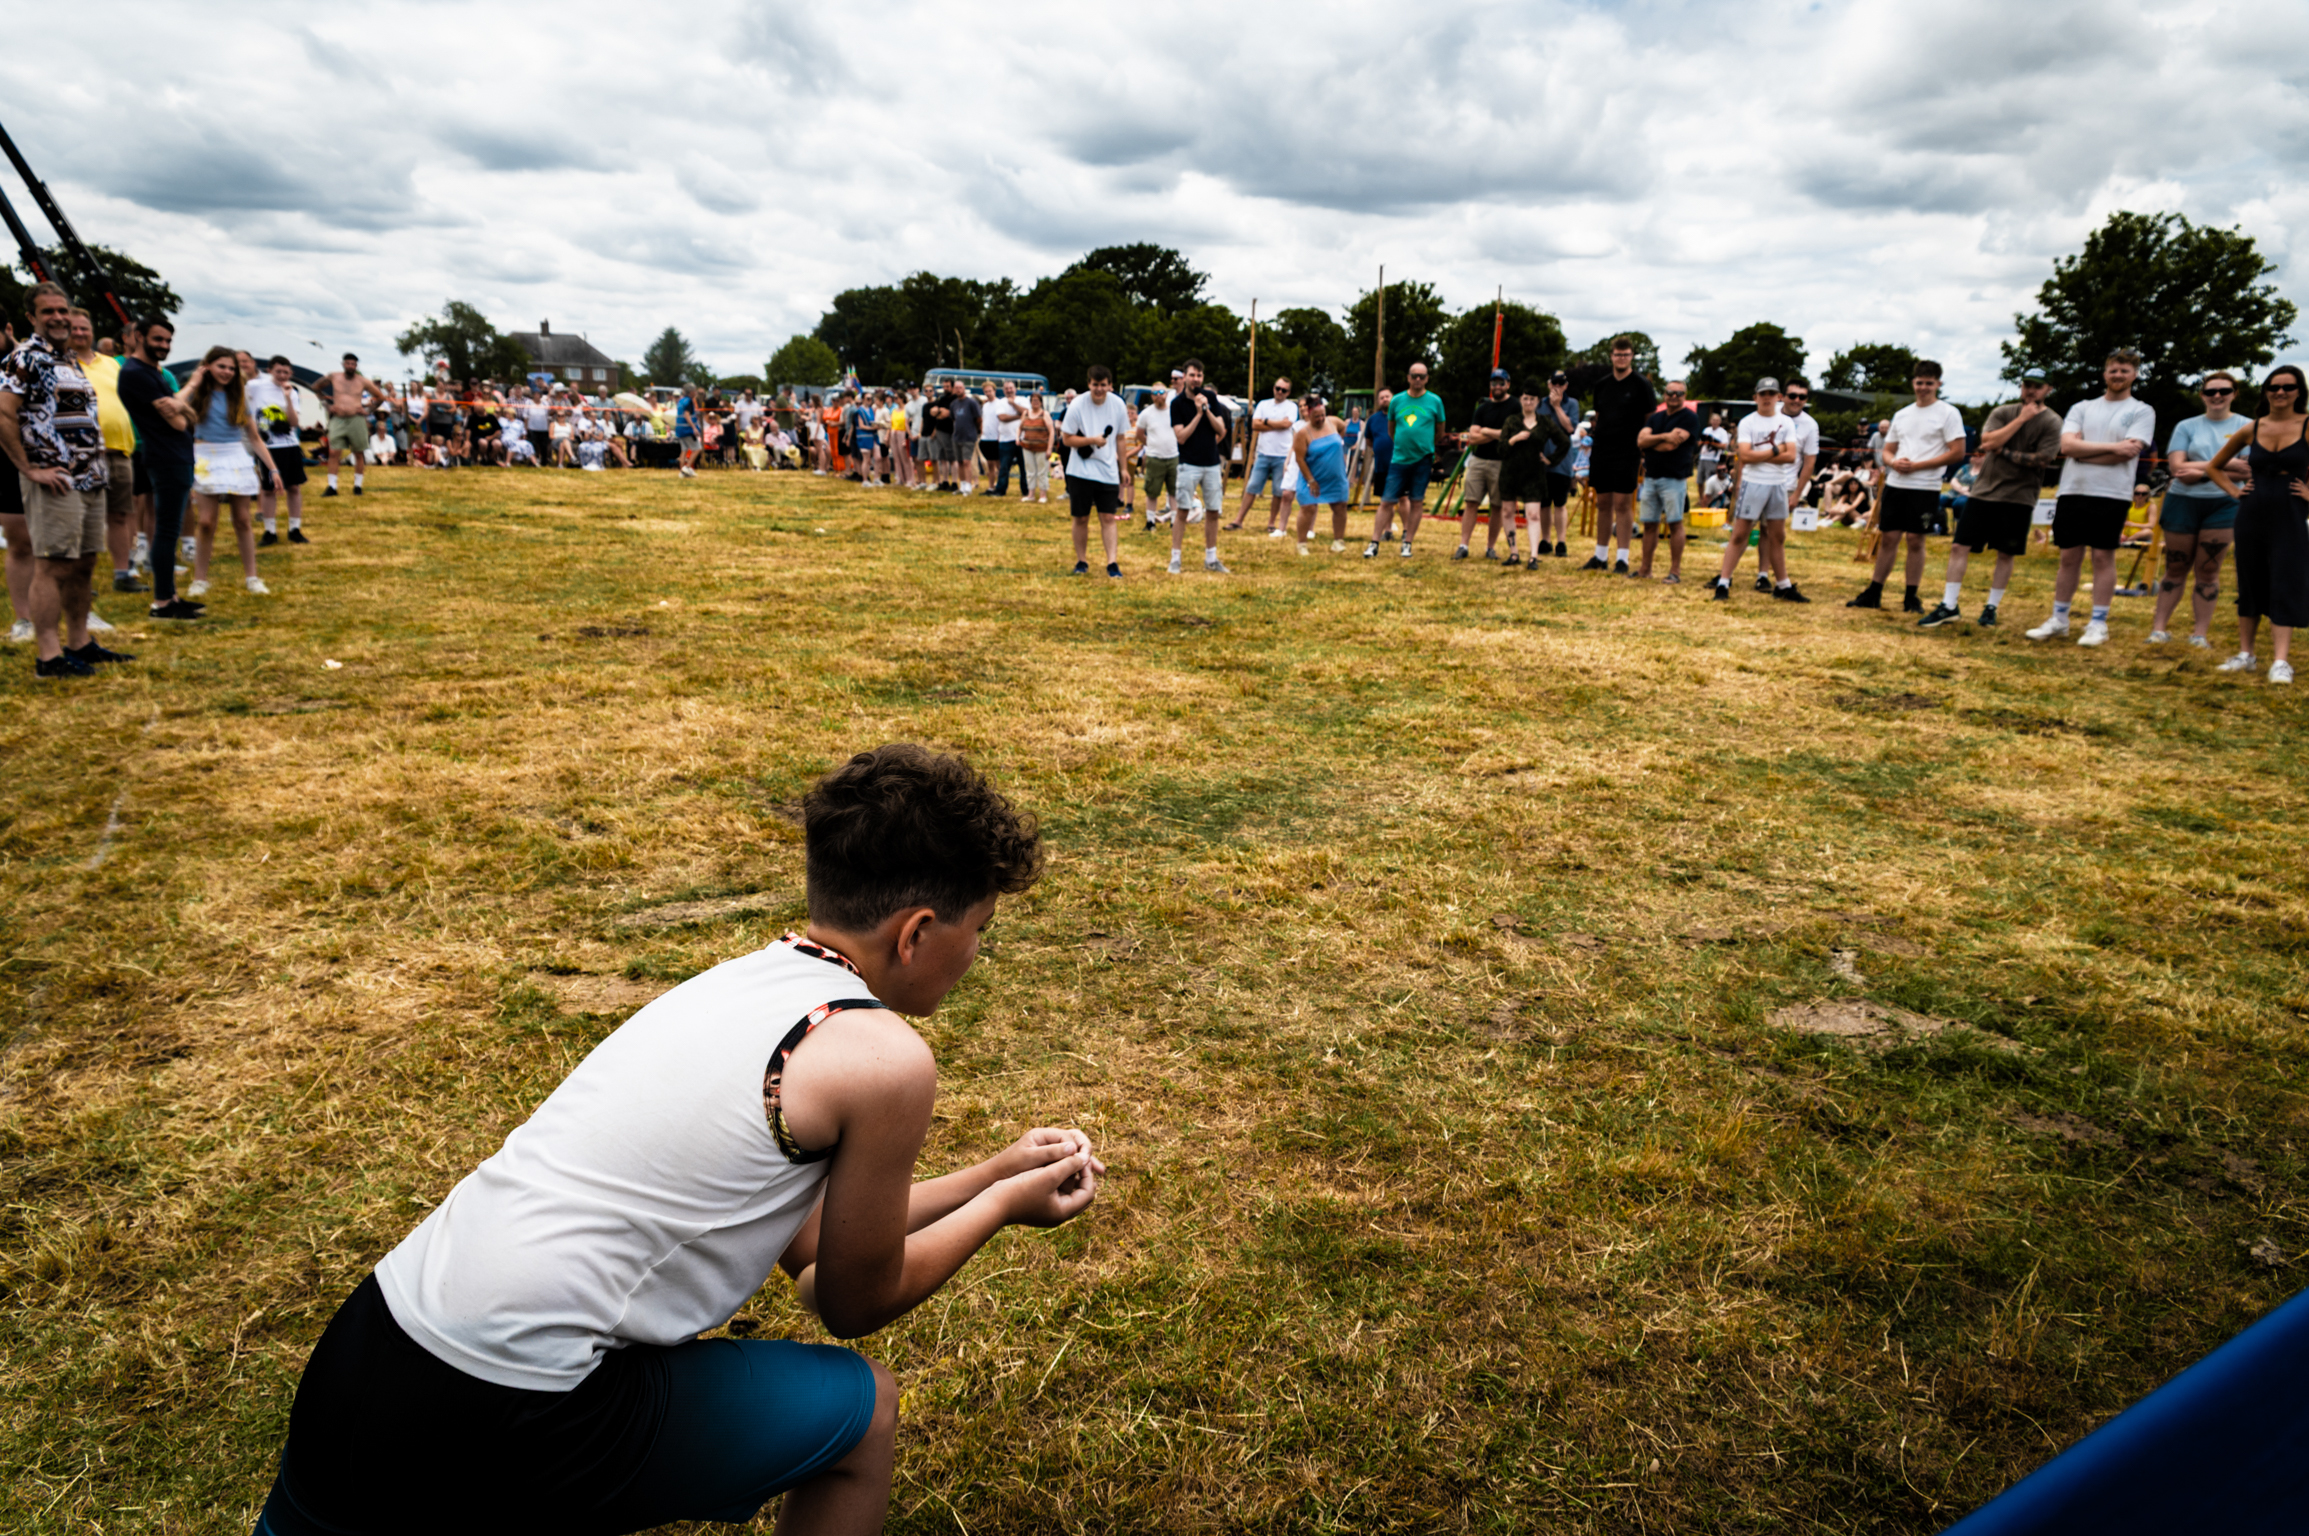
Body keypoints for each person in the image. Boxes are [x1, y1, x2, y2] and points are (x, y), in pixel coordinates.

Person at [254, 744, 1101, 1536]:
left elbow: (809, 1253)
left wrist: (988, 1172)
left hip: (368, 1350)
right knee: (861, 1414)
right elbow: (851, 1303)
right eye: (980, 927)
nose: (978, 950)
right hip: (511, 1407)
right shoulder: (885, 1059)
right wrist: (999, 1207)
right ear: (915, 933)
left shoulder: (740, 984)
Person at [0, 281, 132, 675]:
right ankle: (48, 656)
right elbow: (4, 414)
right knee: (53, 565)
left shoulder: (70, 359)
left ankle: (80, 642)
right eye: (47, 312)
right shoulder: (25, 358)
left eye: (62, 310)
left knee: (84, 564)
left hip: (89, 477)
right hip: (54, 478)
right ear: (31, 318)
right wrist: (29, 469)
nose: (58, 317)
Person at [2027, 348, 2157, 647]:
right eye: (2113, 369)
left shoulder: (2141, 410)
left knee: (2102, 556)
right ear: (2105, 373)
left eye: (2125, 370)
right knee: (2069, 556)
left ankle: (2098, 623)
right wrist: (2111, 449)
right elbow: (2068, 447)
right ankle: (2059, 618)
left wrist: (2087, 451)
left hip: (2112, 493)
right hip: (2074, 490)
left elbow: (2130, 451)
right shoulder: (2082, 407)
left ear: (2134, 375)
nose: (2118, 375)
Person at [1918, 367, 2061, 630]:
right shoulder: (2004, 412)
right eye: (2027, 385)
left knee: (2005, 553)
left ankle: (1991, 607)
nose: (2030, 390)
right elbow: (1987, 441)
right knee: (1959, 546)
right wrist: (2020, 421)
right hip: (1984, 492)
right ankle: (1949, 605)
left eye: (2037, 386)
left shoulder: (2052, 422)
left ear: (2048, 389)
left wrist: (2003, 450)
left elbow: (2042, 459)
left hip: (2020, 497)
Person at [2204, 363, 2308, 684]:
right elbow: (2214, 467)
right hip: (2252, 513)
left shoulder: (2306, 425)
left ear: (2299, 393)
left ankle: (2280, 661)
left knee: (2284, 581)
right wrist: (2236, 491)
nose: (2280, 392)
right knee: (2250, 581)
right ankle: (2246, 654)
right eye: (2274, 387)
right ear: (2265, 391)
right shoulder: (2253, 427)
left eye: (2288, 387)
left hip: (2290, 513)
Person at [1849, 361, 1967, 612]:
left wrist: (1919, 465)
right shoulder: (1902, 414)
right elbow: (1888, 451)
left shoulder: (1948, 413)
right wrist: (1894, 463)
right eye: (1919, 382)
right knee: (1889, 537)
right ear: (1913, 383)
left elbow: (1958, 452)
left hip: (1925, 486)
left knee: (1915, 539)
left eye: (1929, 383)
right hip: (1896, 483)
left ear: (1938, 384)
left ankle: (1911, 596)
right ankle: (1874, 592)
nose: (1923, 387)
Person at [2150, 372, 2248, 647]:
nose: (2217, 396)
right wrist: (2222, 468)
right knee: (2175, 566)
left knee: (2208, 571)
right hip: (2183, 501)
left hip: (2225, 503)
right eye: (2211, 391)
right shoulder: (2186, 426)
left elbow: (2248, 471)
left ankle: (2199, 634)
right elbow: (2177, 469)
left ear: (2234, 393)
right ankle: (2158, 630)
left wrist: (2200, 468)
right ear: (2202, 395)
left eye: (2224, 390)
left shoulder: (2248, 426)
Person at [113, 316, 201, 620]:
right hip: (166, 457)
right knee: (166, 530)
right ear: (138, 336)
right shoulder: (136, 373)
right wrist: (185, 411)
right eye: (158, 339)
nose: (164, 346)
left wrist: (183, 409)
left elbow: (184, 413)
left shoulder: (153, 372)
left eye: (168, 341)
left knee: (169, 528)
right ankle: (163, 602)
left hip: (174, 454)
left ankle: (170, 595)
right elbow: (178, 420)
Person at [181, 345, 276, 597]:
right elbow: (174, 404)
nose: (227, 372)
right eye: (221, 366)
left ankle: (252, 577)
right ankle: (200, 579)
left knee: (243, 520)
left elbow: (254, 438)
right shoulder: (197, 394)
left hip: (235, 456)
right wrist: (194, 382)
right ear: (208, 366)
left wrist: (272, 469)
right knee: (205, 522)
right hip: (205, 457)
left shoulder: (239, 397)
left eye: (231, 368)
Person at [1708, 377, 1808, 603]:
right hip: (1753, 484)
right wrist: (1776, 450)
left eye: (1771, 394)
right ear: (1755, 397)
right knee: (1741, 533)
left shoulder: (1787, 423)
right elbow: (1745, 456)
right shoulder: (1747, 422)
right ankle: (1724, 582)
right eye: (1762, 394)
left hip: (1778, 484)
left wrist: (1761, 455)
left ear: (1778, 397)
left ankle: (1783, 585)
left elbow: (1791, 456)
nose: (1767, 398)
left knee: (1777, 535)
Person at [67, 308, 143, 600]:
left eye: (85, 328)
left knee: (121, 515)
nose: (81, 333)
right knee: (80, 517)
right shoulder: (61, 364)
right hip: (81, 454)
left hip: (119, 450)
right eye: (74, 329)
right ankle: (77, 577)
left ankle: (123, 573)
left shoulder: (112, 364)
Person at [1581, 338, 1655, 575]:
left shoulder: (1641, 385)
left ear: (1632, 356)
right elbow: (1600, 415)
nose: (1621, 358)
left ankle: (1622, 558)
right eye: (1617, 354)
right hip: (1602, 449)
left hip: (1628, 451)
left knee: (1623, 504)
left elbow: (1649, 420)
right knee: (1602, 503)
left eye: (1625, 354)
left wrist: (1644, 450)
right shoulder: (1602, 384)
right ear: (1611, 356)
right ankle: (1600, 555)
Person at [1058, 366, 1134, 579]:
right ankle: (1081, 561)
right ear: (1088, 384)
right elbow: (1066, 439)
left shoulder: (1118, 404)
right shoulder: (1078, 405)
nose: (1099, 389)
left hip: (1108, 471)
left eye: (1103, 385)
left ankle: (1112, 563)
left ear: (1110, 385)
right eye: (1095, 385)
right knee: (1081, 518)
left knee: (1108, 517)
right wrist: (1092, 440)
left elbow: (1120, 438)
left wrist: (1123, 468)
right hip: (1080, 471)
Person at [1368, 364, 1445, 559]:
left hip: (1423, 459)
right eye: (1414, 376)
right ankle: (1374, 542)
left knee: (1416, 501)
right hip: (1399, 459)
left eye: (1421, 376)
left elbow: (1440, 430)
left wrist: (1426, 445)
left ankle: (1407, 543)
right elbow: (1391, 429)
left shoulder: (1435, 401)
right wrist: (1403, 444)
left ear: (1427, 379)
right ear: (1408, 378)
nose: (1418, 379)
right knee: (1387, 500)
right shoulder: (1397, 401)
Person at [1166, 359, 1229, 573]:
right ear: (1184, 377)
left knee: (1213, 510)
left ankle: (1211, 558)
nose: (1196, 380)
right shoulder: (1177, 404)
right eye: (1192, 375)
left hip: (1211, 464)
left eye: (1199, 376)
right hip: (1188, 464)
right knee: (1182, 510)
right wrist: (1198, 414)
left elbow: (1221, 429)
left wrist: (1207, 410)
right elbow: (1181, 437)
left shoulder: (1210, 398)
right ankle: (1175, 559)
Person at [1633, 378, 1698, 582]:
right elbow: (1640, 441)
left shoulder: (1690, 418)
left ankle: (1675, 572)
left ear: (1684, 396)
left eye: (1678, 393)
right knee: (1649, 524)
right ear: (1664, 395)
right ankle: (1645, 569)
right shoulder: (1656, 417)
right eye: (1670, 392)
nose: (1674, 397)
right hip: (1651, 477)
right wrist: (1663, 437)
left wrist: (1653, 442)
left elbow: (1672, 445)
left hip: (1674, 478)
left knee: (1675, 523)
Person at [1497, 385, 1569, 570]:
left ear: (1538, 401)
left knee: (1534, 514)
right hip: (1510, 473)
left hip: (1534, 474)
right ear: (1520, 400)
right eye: (1525, 398)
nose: (1528, 402)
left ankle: (1533, 556)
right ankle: (1514, 553)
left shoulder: (1545, 421)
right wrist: (1515, 439)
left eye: (1532, 399)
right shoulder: (1512, 421)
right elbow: (1501, 449)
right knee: (1507, 512)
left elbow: (1564, 441)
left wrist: (1550, 460)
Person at [246, 355, 309, 545]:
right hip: (267, 446)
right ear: (270, 370)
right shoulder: (256, 386)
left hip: (289, 445)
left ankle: (294, 529)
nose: (282, 375)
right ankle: (270, 531)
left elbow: (293, 423)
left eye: (286, 372)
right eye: (278, 371)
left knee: (293, 487)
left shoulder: (292, 391)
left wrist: (288, 398)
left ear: (291, 373)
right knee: (268, 489)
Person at [1455, 368, 1516, 562]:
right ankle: (1463, 545)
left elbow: (1511, 435)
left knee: (1497, 506)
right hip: (1478, 461)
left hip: (1502, 462)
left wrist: (1486, 431)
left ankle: (1490, 547)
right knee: (1471, 502)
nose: (1497, 386)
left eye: (1501, 382)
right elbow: (1472, 437)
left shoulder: (1515, 406)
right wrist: (1497, 434)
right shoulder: (1482, 408)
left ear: (1508, 384)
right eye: (1494, 383)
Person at [1767, 381, 1822, 588]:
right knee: (1744, 532)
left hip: (1786, 485)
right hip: (1759, 481)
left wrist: (1798, 493)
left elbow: (1809, 462)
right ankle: (1758, 575)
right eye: (1792, 396)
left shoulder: (1810, 424)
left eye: (1802, 397)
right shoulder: (1768, 415)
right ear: (1782, 396)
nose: (1797, 400)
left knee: (1774, 533)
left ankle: (1771, 577)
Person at [1235, 376, 1299, 536]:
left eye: (1283, 390)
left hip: (1282, 455)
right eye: (1278, 388)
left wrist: (1265, 422)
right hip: (1263, 453)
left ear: (1288, 392)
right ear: (1273, 388)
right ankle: (1238, 520)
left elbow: (1287, 424)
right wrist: (1275, 424)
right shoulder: (1263, 404)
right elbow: (1254, 425)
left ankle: (1272, 523)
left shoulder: (1291, 406)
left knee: (1278, 491)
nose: (1279, 392)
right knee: (1251, 487)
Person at [1289, 393, 1353, 553]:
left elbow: (1343, 429)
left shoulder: (1333, 422)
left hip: (1335, 476)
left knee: (1340, 506)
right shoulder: (1303, 433)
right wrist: (1310, 480)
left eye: (1323, 415)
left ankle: (1339, 541)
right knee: (1308, 508)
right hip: (1312, 476)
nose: (1321, 419)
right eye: (1317, 416)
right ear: (1309, 414)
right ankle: (1301, 544)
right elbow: (1300, 459)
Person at [318, 353, 385, 496]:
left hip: (356, 418)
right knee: (334, 452)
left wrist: (368, 410)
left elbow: (380, 397)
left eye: (353, 364)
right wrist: (327, 405)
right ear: (343, 364)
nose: (350, 366)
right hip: (338, 419)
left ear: (356, 366)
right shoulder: (333, 376)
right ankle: (332, 487)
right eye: (348, 363)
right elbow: (315, 386)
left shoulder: (363, 381)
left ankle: (357, 486)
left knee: (358, 452)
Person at [1531, 372, 1577, 556]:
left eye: (1561, 383)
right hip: (1542, 461)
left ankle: (1561, 542)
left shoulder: (1571, 404)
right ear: (1549, 384)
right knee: (1544, 503)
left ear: (1566, 386)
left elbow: (1570, 428)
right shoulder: (1540, 404)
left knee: (1560, 502)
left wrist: (1557, 407)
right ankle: (1546, 540)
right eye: (1554, 383)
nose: (1557, 386)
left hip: (1562, 461)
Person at [1134, 383, 1177, 527]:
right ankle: (1150, 521)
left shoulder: (1174, 410)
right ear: (1151, 396)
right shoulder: (1146, 413)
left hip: (1173, 456)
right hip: (1154, 457)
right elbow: (1139, 434)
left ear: (1166, 394)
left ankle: (1174, 521)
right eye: (1155, 393)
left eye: (1161, 392)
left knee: (1174, 491)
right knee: (1152, 491)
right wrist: (1150, 444)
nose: (1159, 395)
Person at [985, 382, 1023, 497]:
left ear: (1015, 389)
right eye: (1006, 388)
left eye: (1011, 388)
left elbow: (1027, 412)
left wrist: (1013, 404)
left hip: (1022, 439)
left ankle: (1026, 490)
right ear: (1004, 390)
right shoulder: (1001, 402)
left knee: (1024, 468)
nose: (1009, 390)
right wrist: (1019, 415)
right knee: (1003, 467)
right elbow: (1002, 417)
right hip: (1005, 440)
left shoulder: (1023, 400)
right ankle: (1000, 490)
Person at [1016, 392, 1053, 504]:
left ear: (1041, 402)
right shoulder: (1025, 413)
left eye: (1037, 400)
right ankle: (1030, 494)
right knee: (1030, 471)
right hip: (1027, 446)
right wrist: (1017, 438)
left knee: (1042, 471)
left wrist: (1049, 449)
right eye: (1033, 400)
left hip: (1042, 447)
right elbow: (1020, 427)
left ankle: (1043, 495)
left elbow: (1051, 432)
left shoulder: (1045, 414)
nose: (1035, 402)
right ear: (1030, 402)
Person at [949, 384, 983, 497]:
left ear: (964, 389)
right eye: (956, 388)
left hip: (969, 437)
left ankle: (968, 486)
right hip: (956, 436)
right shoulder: (953, 404)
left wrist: (976, 431)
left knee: (966, 462)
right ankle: (962, 485)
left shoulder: (971, 403)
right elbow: (954, 419)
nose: (958, 390)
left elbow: (978, 418)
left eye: (960, 387)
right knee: (959, 462)